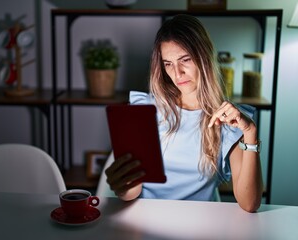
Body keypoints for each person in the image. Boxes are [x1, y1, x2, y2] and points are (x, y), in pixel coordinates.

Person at [105, 14, 263, 213]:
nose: (177, 73)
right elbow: (132, 192)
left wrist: (250, 132)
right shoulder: (145, 110)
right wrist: (122, 186)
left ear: (204, 57)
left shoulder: (228, 118)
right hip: (147, 220)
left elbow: (250, 204)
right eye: (168, 64)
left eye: (185, 59)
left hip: (201, 224)